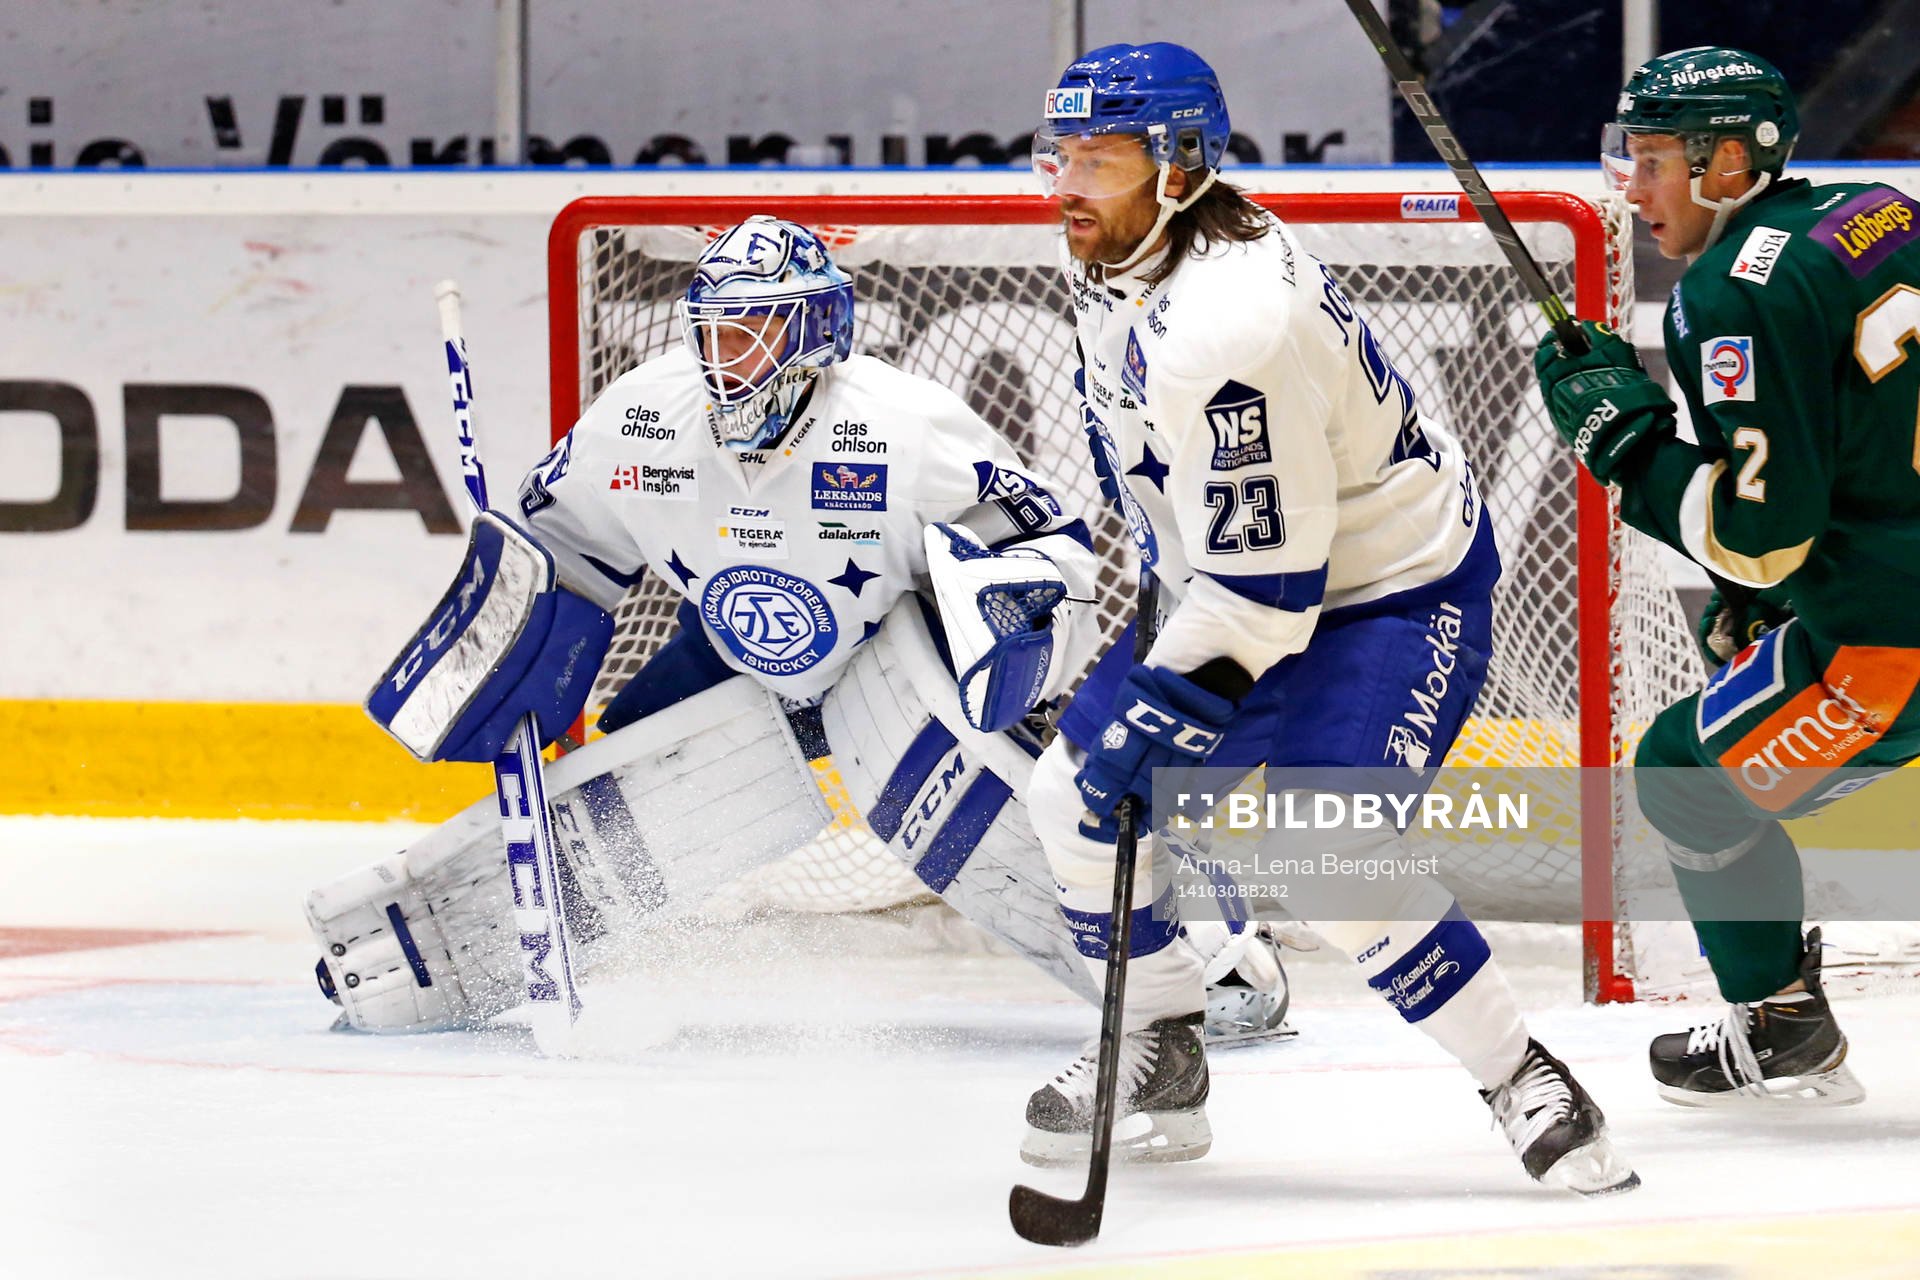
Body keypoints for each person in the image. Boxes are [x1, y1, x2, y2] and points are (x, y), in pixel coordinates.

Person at [308, 215, 1293, 1045]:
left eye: (751, 332)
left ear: (816, 332)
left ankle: (1211, 957)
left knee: (1026, 816)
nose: (723, 359)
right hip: (729, 656)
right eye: (712, 333)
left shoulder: (904, 427)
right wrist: (516, 639)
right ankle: (421, 955)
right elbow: (554, 547)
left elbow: (1049, 542)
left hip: (891, 659)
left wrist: (1016, 626)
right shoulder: (642, 419)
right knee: (607, 810)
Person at [1017, 42, 1636, 1195]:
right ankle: (1158, 1045)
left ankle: (1523, 1076)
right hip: (1246, 577)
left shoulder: (1229, 325)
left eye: (1100, 160)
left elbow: (1271, 592)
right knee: (1071, 800)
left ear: (1180, 166)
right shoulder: (1144, 242)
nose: (1068, 188)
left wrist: (1164, 704)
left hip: (1384, 592)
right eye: (1062, 157)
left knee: (1327, 852)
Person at [1536, 47, 1920, 1106]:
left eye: (1657, 159)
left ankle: (1779, 1025)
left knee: (1684, 779)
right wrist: (1778, 594)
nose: (1633, 186)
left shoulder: (1729, 291)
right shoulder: (1877, 211)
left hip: (1893, 636)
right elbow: (1856, 437)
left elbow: (1762, 539)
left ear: (1733, 162)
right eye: (1630, 156)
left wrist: (1628, 446)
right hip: (1888, 584)